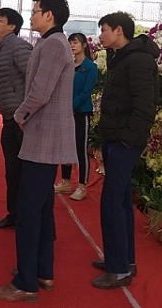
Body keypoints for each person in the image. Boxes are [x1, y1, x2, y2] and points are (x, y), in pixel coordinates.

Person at [0, 0, 77, 302]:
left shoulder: (52, 45)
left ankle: (26, 282)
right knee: (41, 209)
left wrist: (19, 114)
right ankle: (42, 272)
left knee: (28, 210)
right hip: (44, 137)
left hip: (43, 139)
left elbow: (39, 90)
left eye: (36, 11)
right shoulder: (53, 43)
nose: (33, 16)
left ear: (49, 15)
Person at [91, 12, 159, 290]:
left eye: (104, 30)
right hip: (115, 136)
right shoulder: (119, 57)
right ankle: (124, 260)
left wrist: (128, 140)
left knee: (111, 202)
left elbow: (145, 106)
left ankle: (118, 269)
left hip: (124, 140)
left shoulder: (139, 60)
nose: (101, 35)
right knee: (119, 201)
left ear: (119, 31)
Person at [0, 8, 33, 229]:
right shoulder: (1, 48)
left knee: (25, 171)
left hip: (21, 117)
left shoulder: (19, 47)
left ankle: (28, 219)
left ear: (13, 26)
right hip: (9, 116)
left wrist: (24, 111)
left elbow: (32, 78)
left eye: (0, 20)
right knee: (12, 168)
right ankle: (14, 215)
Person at [54, 33, 98, 201]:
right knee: (65, 147)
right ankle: (65, 181)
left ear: (84, 45)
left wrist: (71, 106)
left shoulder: (90, 67)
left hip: (81, 112)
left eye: (75, 42)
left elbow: (86, 92)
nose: (72, 45)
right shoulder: (69, 65)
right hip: (65, 112)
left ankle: (82, 185)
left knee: (80, 148)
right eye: (70, 43)